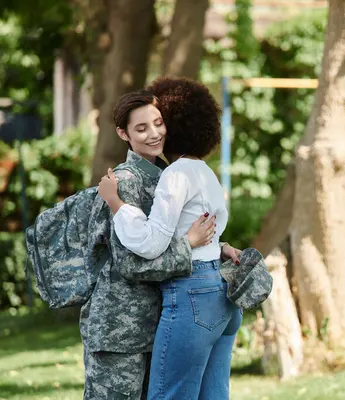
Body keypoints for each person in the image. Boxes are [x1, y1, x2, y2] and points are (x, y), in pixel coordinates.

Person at [98, 77, 242, 400]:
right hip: (222, 295)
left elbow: (150, 243)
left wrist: (116, 204)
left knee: (169, 395)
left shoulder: (175, 175)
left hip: (192, 295)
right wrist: (218, 247)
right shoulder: (205, 172)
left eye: (160, 122)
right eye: (142, 128)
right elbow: (205, 226)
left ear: (174, 124)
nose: (155, 133)